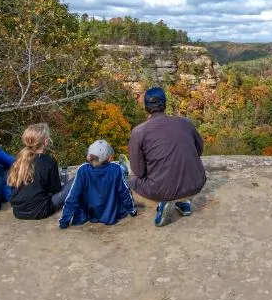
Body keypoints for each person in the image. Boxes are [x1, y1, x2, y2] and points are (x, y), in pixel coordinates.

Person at [128, 87, 206, 227]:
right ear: (165, 104)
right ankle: (184, 203)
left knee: (131, 181)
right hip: (196, 183)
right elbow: (199, 150)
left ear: (146, 107)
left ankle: (163, 204)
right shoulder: (186, 123)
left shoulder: (139, 132)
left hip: (163, 190)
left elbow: (139, 172)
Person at [59, 139, 137, 229]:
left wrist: (64, 221)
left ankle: (124, 169)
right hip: (110, 215)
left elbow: (73, 196)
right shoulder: (115, 169)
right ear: (109, 158)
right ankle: (124, 168)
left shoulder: (83, 170)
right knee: (121, 173)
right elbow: (124, 193)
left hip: (90, 214)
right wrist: (132, 210)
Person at [8, 123, 74, 220]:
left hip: (18, 212)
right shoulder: (48, 161)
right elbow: (55, 190)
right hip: (40, 211)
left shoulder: (18, 161)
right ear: (46, 141)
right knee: (77, 177)